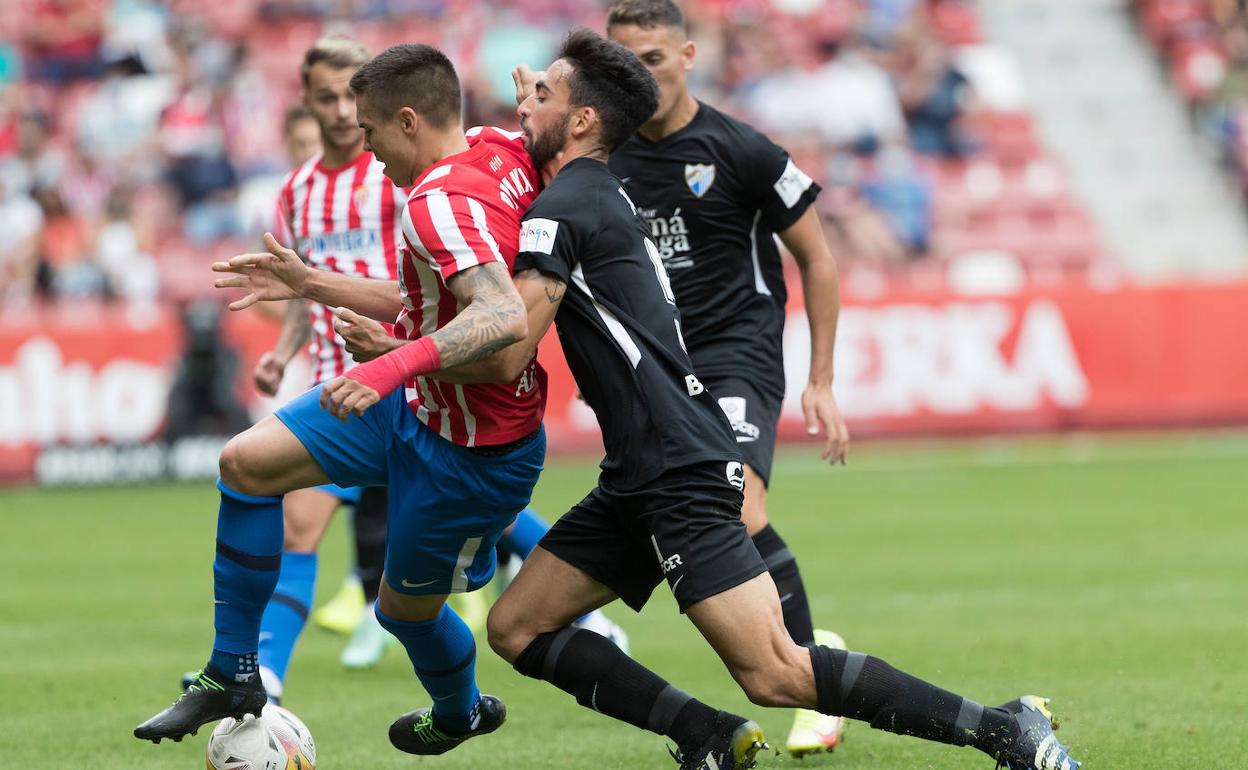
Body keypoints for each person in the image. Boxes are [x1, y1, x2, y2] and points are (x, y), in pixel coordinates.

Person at [470, 28, 1079, 770]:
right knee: (517, 625)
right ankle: (704, 734)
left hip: (676, 469)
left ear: (585, 119)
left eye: (540, 95)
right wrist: (550, 95)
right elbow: (545, 138)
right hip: (640, 468)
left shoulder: (564, 205)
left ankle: (1004, 728)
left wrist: (405, 362)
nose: (522, 103)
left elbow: (506, 357)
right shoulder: (593, 189)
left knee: (778, 672)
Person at [134, 43, 549, 757]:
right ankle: (234, 668)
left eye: (372, 129)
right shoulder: (488, 148)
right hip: (409, 403)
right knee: (246, 464)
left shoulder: (437, 202)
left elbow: (501, 316)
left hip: (468, 443)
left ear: (410, 121)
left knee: (403, 611)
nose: (366, 145)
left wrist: (391, 365)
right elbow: (422, 301)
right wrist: (310, 283)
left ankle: (458, 712)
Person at [603, 0, 850, 754]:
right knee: (670, 518)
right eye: (622, 64)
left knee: (735, 504)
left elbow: (818, 257)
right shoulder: (601, 159)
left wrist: (821, 378)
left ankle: (818, 682)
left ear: (686, 54)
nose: (637, 76)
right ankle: (805, 655)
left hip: (739, 352)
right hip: (660, 369)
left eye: (650, 58)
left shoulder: (742, 149)